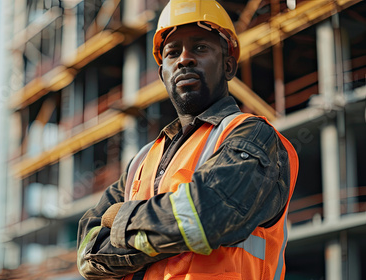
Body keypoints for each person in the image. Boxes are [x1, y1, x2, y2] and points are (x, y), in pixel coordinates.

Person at [77, 0, 299, 279]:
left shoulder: (253, 136)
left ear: (229, 66)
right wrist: (166, 227)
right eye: (172, 52)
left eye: (200, 48)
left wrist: (119, 218)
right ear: (162, 74)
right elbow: (87, 254)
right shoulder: (143, 161)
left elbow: (204, 218)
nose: (184, 59)